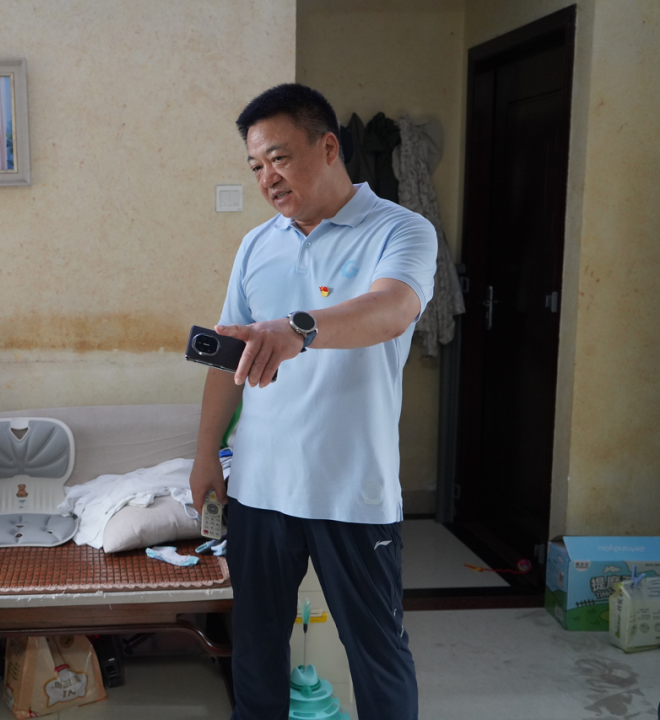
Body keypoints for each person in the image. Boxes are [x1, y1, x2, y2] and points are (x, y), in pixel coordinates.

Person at [188, 83, 436, 720]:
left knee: (377, 655)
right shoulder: (257, 244)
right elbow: (226, 357)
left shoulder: (400, 230)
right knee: (255, 654)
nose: (267, 178)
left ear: (328, 148)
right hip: (260, 488)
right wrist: (206, 454)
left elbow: (391, 308)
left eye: (279, 158)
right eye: (255, 166)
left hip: (352, 491)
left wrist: (298, 328)